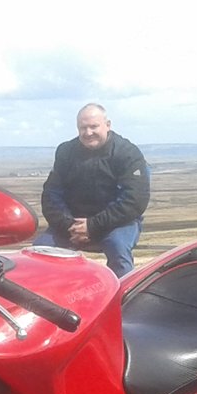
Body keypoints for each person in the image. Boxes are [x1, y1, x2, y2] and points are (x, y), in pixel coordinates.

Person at [33, 103, 150, 276]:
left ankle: (126, 291)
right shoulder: (66, 151)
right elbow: (51, 195)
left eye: (94, 126)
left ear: (108, 125)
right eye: (83, 128)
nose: (88, 133)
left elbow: (134, 201)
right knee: (40, 250)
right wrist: (69, 225)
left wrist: (93, 226)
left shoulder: (128, 153)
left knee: (117, 248)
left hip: (116, 223)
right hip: (71, 224)